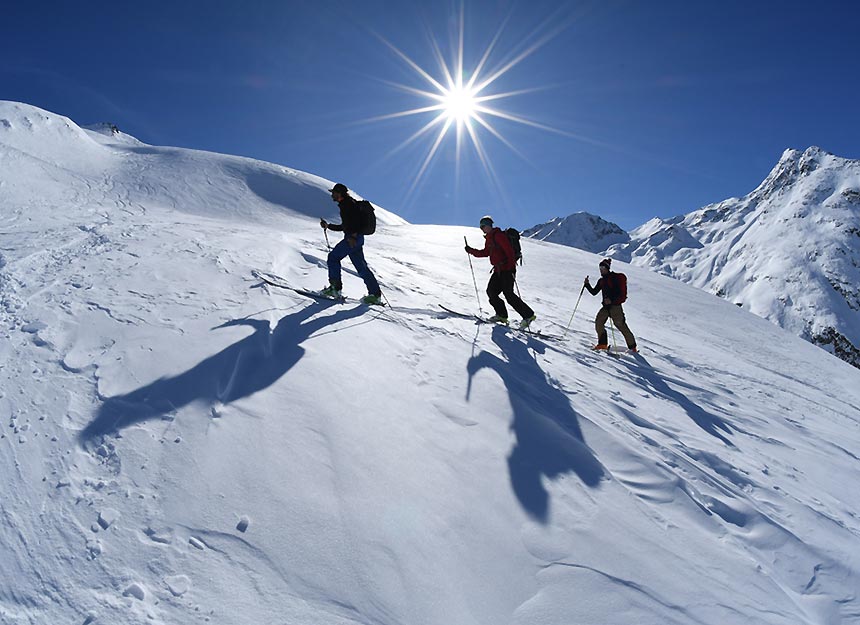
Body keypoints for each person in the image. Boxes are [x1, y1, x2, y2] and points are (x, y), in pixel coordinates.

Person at [465, 215, 536, 329]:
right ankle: (501, 315)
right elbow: (485, 252)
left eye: (483, 226)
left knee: (508, 294)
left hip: (507, 269)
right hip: (498, 270)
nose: (482, 228)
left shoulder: (498, 236)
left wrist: (510, 266)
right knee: (491, 291)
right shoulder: (489, 238)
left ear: (489, 225)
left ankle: (528, 315)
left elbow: (509, 251)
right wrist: (471, 251)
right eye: (481, 227)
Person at [319, 183, 383, 305]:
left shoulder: (347, 204)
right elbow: (345, 226)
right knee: (362, 268)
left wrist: (353, 235)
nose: (332, 194)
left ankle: (335, 289)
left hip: (352, 239)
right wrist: (329, 226)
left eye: (333, 192)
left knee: (333, 257)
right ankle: (375, 295)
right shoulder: (348, 203)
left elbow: (354, 222)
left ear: (339, 193)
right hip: (357, 238)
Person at [584, 258, 637, 352]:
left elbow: (620, 294)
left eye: (603, 267)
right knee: (599, 322)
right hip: (606, 307)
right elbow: (594, 292)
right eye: (600, 267)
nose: (601, 269)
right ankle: (602, 344)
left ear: (607, 268)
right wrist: (587, 285)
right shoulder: (601, 280)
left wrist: (611, 300)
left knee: (621, 326)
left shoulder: (615, 278)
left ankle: (632, 347)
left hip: (615, 307)